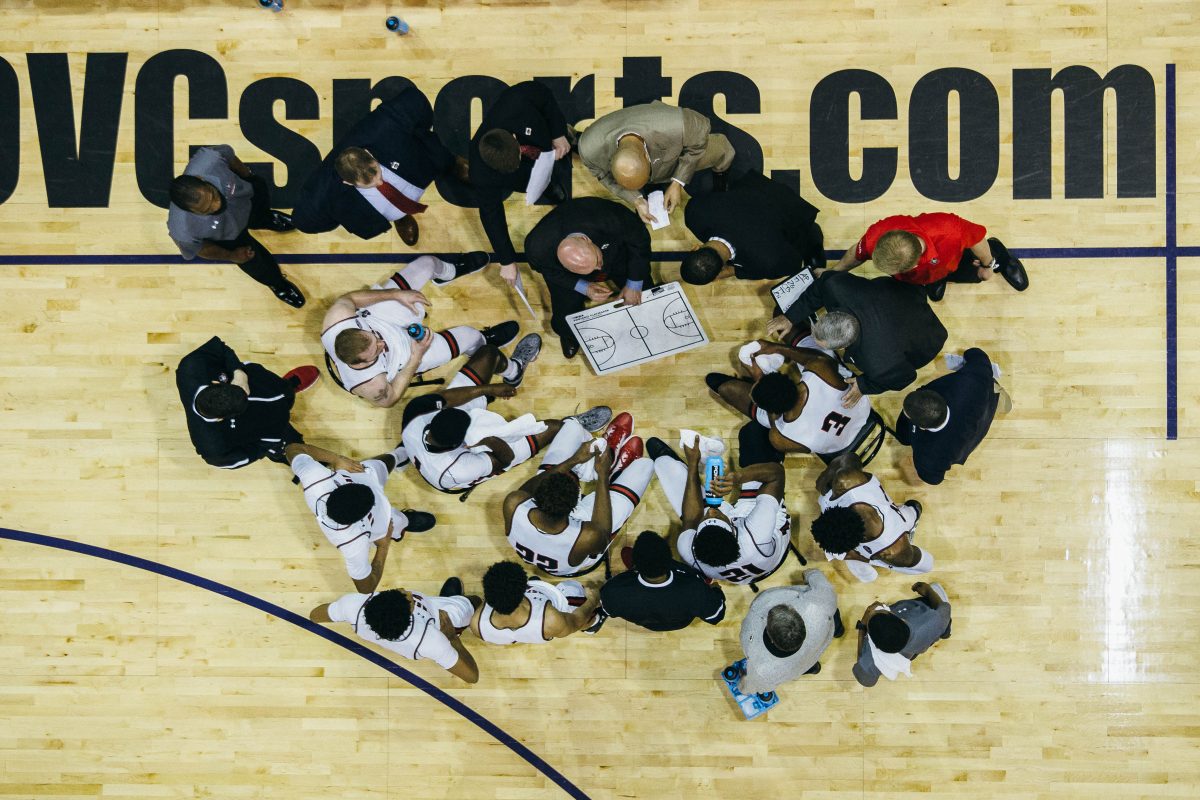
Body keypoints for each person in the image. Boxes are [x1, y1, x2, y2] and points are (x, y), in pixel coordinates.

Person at [399, 344, 612, 493]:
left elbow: (444, 397)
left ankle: (514, 371)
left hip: (446, 441)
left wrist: (489, 388)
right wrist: (489, 439)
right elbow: (505, 459)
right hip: (476, 459)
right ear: (460, 442)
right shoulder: (458, 469)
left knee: (488, 354)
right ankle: (574, 427)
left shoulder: (415, 415)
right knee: (556, 427)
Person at [320, 258, 509, 408]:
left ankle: (449, 272)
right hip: (406, 357)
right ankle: (482, 344)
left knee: (427, 263)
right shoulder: (369, 384)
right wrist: (416, 358)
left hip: (380, 318)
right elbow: (390, 399)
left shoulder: (337, 319)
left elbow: (350, 298)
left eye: (374, 339)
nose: (381, 344)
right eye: (376, 350)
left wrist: (395, 293)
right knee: (470, 335)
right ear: (361, 362)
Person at [292, 85, 467, 246]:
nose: (379, 183)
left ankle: (452, 163)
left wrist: (420, 133)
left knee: (439, 157)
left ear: (370, 155)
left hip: (418, 164)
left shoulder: (381, 127)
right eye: (369, 184)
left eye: (376, 173)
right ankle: (401, 216)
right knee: (394, 207)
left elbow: (416, 102)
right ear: (347, 183)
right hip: (389, 199)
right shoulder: (323, 193)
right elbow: (305, 222)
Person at [503, 412, 652, 577]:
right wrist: (603, 475)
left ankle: (596, 456)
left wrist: (574, 460)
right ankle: (612, 471)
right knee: (645, 465)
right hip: (580, 549)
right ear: (576, 505)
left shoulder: (514, 503)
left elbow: (532, 485)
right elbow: (603, 531)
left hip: (557, 541)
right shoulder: (587, 537)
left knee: (573, 426)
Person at [766, 271, 947, 403]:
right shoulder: (835, 286)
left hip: (929, 335)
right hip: (905, 296)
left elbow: (905, 378)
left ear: (843, 346)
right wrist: (790, 317)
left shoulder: (878, 364)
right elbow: (818, 288)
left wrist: (863, 385)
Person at [285, 441, 436, 593]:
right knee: (397, 522)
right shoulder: (352, 543)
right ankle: (405, 520)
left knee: (382, 463)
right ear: (364, 514)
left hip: (358, 474)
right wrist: (383, 547)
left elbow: (293, 448)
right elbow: (366, 587)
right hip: (382, 523)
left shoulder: (314, 478)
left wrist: (336, 459)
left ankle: (399, 456)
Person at [465, 80, 574, 287]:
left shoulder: (515, 102)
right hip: (519, 175)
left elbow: (544, 94)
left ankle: (566, 136)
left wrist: (557, 132)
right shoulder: (481, 174)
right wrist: (506, 260)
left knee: (562, 139)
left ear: (514, 139)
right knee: (529, 181)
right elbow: (491, 215)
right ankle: (545, 186)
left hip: (541, 138)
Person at [167, 145, 305, 308]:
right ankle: (278, 283)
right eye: (207, 209)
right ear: (188, 211)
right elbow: (203, 249)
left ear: (202, 179)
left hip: (246, 199)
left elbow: (228, 154)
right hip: (230, 235)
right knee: (255, 262)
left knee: (260, 203)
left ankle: (267, 219)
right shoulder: (182, 229)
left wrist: (248, 175)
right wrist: (231, 255)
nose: (217, 205)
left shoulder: (210, 159)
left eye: (213, 196)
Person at [649, 432, 790, 586]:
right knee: (753, 435)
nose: (710, 511)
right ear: (732, 527)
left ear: (695, 541)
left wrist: (693, 465)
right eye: (716, 516)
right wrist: (739, 477)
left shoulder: (688, 550)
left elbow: (690, 519)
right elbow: (777, 475)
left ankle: (698, 461)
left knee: (664, 464)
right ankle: (712, 459)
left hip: (746, 556)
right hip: (762, 539)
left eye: (706, 519)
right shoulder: (757, 534)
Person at [524, 196, 654, 358]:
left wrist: (634, 283)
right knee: (564, 320)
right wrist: (583, 286)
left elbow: (640, 239)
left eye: (597, 261)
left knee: (647, 295)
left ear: (585, 239)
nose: (599, 270)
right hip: (569, 275)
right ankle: (569, 335)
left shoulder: (608, 217)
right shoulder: (537, 248)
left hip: (616, 255)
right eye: (591, 270)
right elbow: (549, 272)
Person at [705, 340, 871, 459]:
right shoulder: (820, 372)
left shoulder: (779, 438)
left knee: (720, 385)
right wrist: (776, 347)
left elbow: (774, 421)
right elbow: (816, 359)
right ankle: (763, 382)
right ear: (788, 378)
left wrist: (758, 375)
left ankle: (758, 384)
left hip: (842, 439)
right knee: (795, 330)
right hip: (860, 410)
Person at [578, 101, 735, 224]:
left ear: (648, 158)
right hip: (648, 153)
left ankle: (721, 178)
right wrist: (636, 200)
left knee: (723, 150)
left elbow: (702, 129)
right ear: (611, 161)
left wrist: (677, 182)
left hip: (669, 146)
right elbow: (603, 175)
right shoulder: (589, 150)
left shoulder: (677, 124)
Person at [176, 336, 320, 470]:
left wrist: (239, 373)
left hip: (264, 384)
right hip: (267, 428)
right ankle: (285, 454)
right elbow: (243, 456)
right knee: (293, 446)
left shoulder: (190, 366)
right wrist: (267, 444)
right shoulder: (211, 447)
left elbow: (221, 348)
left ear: (215, 382)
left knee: (280, 389)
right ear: (221, 419)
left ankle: (287, 387)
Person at [309, 577, 481, 684]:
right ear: (410, 617)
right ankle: (460, 606)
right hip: (440, 620)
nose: (404, 590)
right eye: (408, 599)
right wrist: (452, 638)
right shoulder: (432, 640)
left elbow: (314, 615)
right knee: (472, 603)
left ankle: (445, 599)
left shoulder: (353, 606)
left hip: (426, 614)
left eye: (395, 592)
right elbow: (472, 676)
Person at [826, 211, 1028, 301]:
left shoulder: (949, 230)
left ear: (913, 265)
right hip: (932, 272)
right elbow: (857, 253)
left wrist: (988, 265)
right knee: (940, 276)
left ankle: (1004, 259)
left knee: (979, 267)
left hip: (952, 259)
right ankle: (936, 279)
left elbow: (977, 239)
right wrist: (833, 273)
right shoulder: (876, 237)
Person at [681, 170, 824, 285]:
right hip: (757, 185)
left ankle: (814, 238)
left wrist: (735, 271)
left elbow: (793, 265)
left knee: (798, 243)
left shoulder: (766, 262)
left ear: (720, 272)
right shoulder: (693, 215)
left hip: (792, 208)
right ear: (695, 247)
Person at [810, 453, 933, 582]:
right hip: (869, 541)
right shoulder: (842, 484)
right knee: (867, 576)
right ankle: (866, 570)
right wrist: (859, 557)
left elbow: (926, 565)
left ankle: (910, 524)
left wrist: (864, 557)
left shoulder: (892, 549)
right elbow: (821, 482)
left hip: (891, 533)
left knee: (915, 508)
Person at [895, 348, 1007, 486]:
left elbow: (933, 479)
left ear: (922, 427)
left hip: (958, 444)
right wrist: (969, 354)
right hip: (981, 416)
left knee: (902, 437)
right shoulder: (971, 382)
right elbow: (977, 354)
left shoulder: (929, 455)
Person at [738, 569, 844, 694]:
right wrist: (809, 573)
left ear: (770, 636)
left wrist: (743, 684)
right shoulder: (818, 604)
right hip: (823, 633)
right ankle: (839, 631)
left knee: (803, 666)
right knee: (833, 616)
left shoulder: (761, 667)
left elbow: (754, 687)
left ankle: (813, 668)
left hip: (798, 665)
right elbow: (818, 578)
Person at [598, 531, 727, 631]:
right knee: (701, 576)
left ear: (636, 564)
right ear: (670, 560)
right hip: (681, 622)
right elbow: (716, 615)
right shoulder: (695, 589)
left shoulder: (614, 592)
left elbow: (608, 609)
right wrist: (716, 590)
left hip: (650, 624)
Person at [469, 561, 605, 643]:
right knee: (573, 590)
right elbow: (576, 621)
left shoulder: (476, 624)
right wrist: (593, 599)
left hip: (524, 632)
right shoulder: (551, 619)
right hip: (547, 621)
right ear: (524, 589)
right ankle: (593, 625)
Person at [854, 582, 952, 687]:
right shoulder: (927, 624)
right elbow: (945, 609)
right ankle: (945, 632)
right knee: (944, 623)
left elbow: (867, 680)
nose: (873, 610)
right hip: (929, 628)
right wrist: (928, 590)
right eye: (884, 611)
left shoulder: (870, 655)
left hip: (907, 654)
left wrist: (863, 624)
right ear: (901, 620)